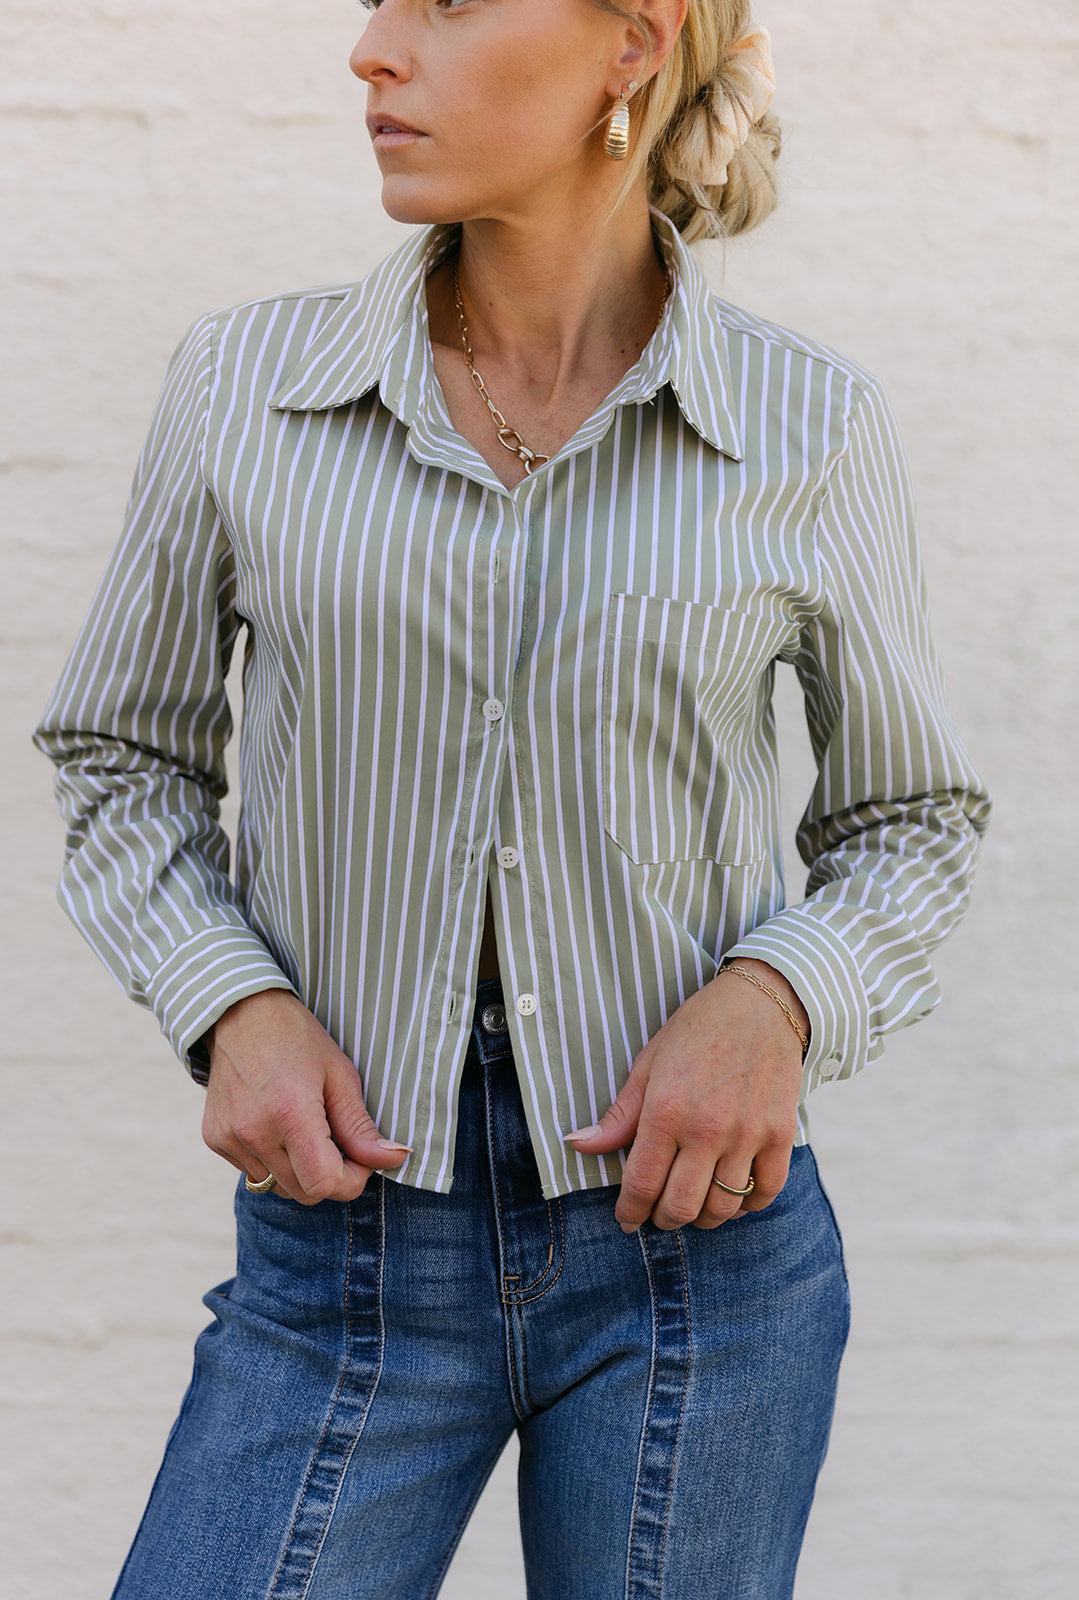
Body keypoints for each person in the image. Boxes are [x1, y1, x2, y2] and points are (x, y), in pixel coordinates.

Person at [30, 2, 993, 1595]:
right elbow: (122, 757)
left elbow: (912, 819)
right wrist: (231, 1004)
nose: (374, 49)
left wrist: (777, 1000)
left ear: (635, 40)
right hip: (344, 1253)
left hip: (695, 1264)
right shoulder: (244, 386)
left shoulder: (810, 427)